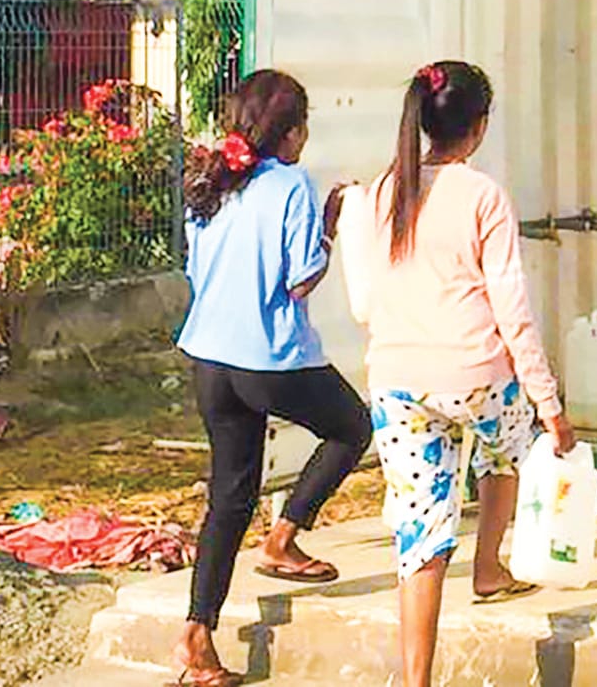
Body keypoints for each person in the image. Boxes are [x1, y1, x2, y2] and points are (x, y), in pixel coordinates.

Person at [337, 61, 576, 687]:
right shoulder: (483, 195)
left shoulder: (387, 189)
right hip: (476, 375)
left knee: (420, 534)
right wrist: (551, 407)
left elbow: (364, 303)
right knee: (513, 448)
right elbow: (512, 312)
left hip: (395, 382)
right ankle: (491, 565)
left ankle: (416, 680)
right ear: (480, 126)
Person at [172, 69, 370, 687]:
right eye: (303, 126)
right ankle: (285, 534)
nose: (307, 139)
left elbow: (196, 269)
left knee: (229, 496)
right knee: (351, 428)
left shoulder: (211, 181)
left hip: (209, 357)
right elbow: (301, 279)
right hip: (270, 359)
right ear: (288, 134)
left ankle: (197, 635)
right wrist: (331, 222)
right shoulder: (291, 185)